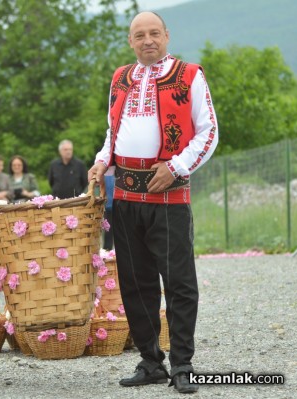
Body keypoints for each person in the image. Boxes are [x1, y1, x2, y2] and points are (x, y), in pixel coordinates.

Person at [88, 11, 218, 394]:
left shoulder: (190, 75)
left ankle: (182, 363)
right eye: (140, 35)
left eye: (154, 33)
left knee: (178, 281)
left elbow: (208, 133)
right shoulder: (119, 78)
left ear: (166, 35)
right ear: (131, 41)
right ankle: (150, 361)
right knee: (135, 281)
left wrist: (177, 167)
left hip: (169, 194)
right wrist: (100, 161)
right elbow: (113, 131)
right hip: (125, 194)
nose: (148, 40)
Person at [103, 174, 114, 250]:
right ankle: (107, 250)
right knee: (108, 230)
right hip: (107, 206)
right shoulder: (103, 169)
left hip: (121, 204)